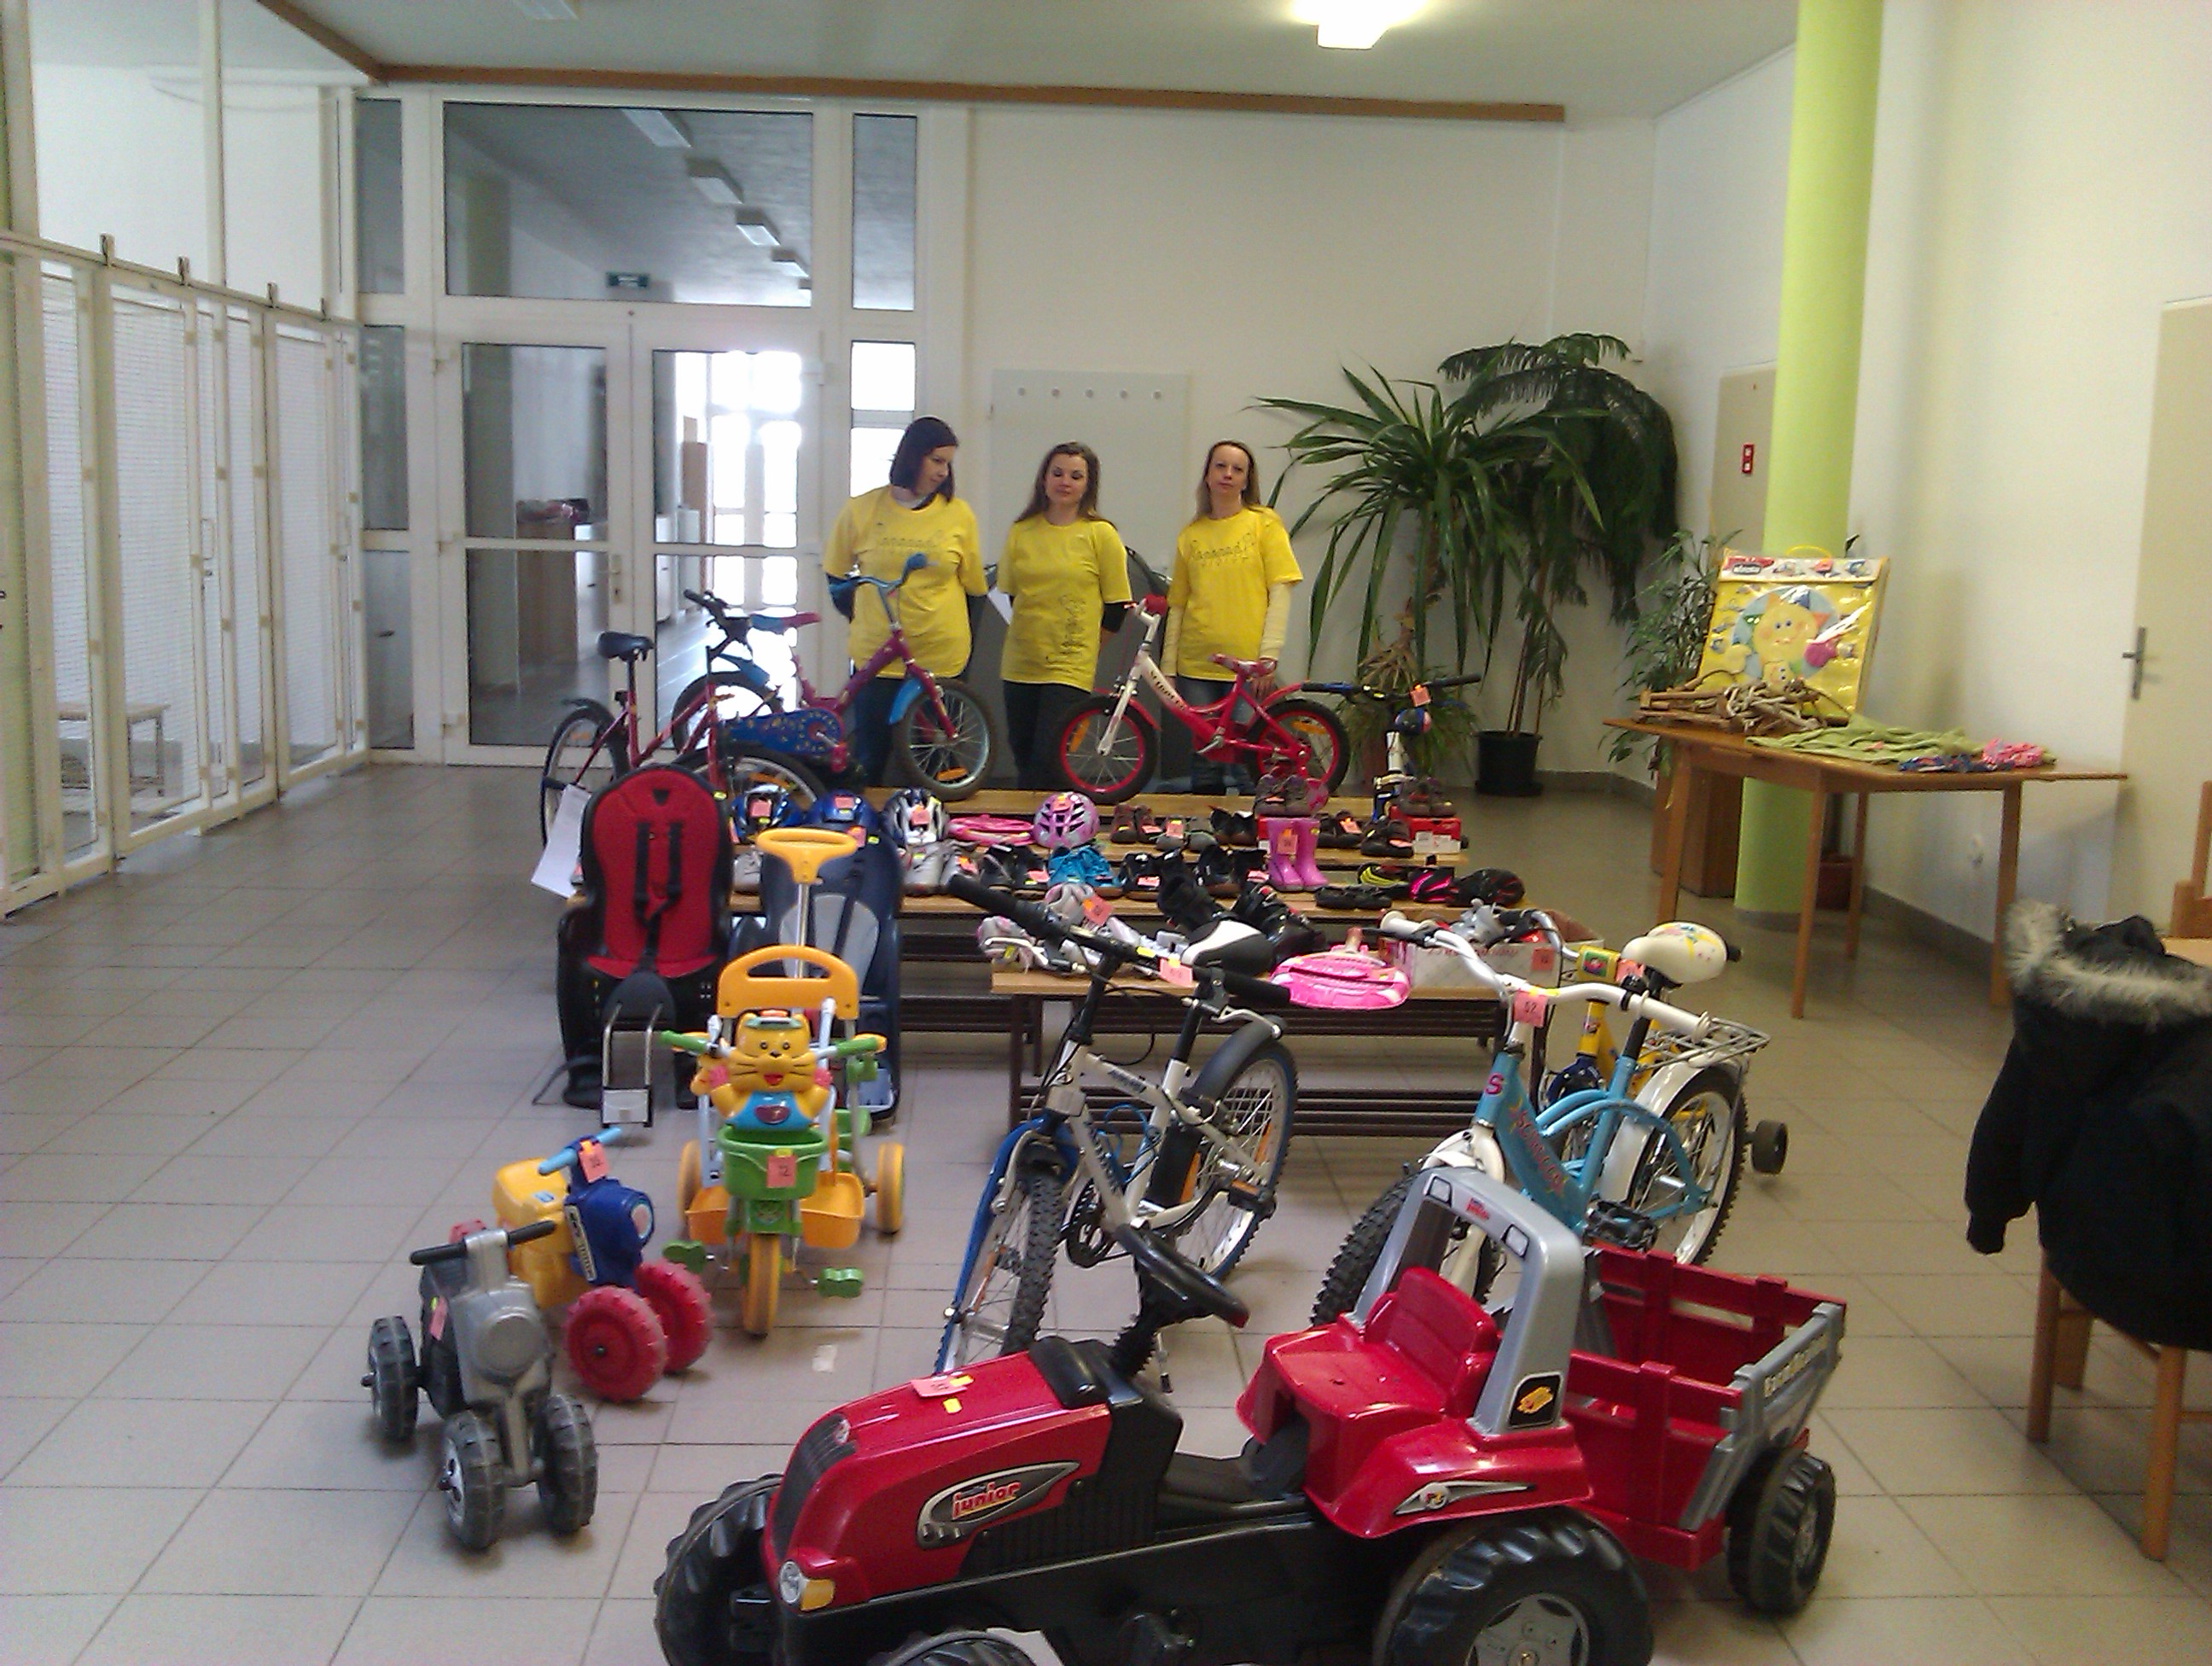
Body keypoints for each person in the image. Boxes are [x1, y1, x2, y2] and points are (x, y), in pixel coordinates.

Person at [822, 416, 984, 784]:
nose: (943, 472)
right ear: (912, 456)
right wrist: (864, 615)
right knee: (870, 758)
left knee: (939, 763)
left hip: (940, 658)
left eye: (948, 463)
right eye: (936, 460)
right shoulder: (861, 509)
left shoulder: (959, 515)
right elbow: (836, 577)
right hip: (877, 657)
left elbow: (974, 587)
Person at [1163, 440, 1301, 793]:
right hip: (1196, 667)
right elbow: (1178, 605)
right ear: (1207, 475)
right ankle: (1204, 827)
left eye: (1237, 469)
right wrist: (1169, 668)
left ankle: (1255, 828)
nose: (1227, 474)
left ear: (1246, 480)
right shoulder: (1191, 535)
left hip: (1248, 666)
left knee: (1248, 765)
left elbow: (1281, 591)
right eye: (1220, 466)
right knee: (1205, 763)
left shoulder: (1264, 524)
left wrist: (1269, 656)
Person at [996, 442, 1132, 790]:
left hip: (1069, 666)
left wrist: (1086, 647)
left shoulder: (1101, 534)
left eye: (1076, 476)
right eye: (1057, 473)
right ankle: (1030, 820)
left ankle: (1052, 819)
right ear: (1044, 479)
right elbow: (1012, 594)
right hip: (1021, 663)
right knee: (1023, 754)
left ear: (1088, 484)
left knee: (1049, 758)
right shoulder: (1021, 531)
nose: (1065, 482)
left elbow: (1117, 606)